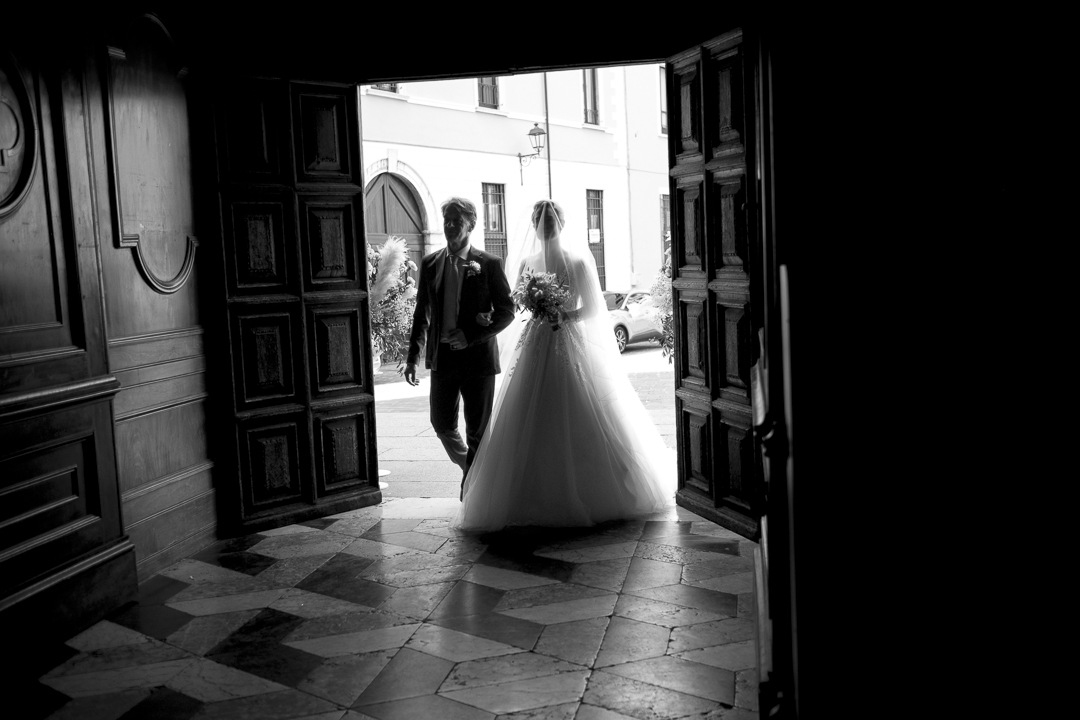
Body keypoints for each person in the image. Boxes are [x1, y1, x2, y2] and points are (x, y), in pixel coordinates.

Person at [454, 199, 676, 531]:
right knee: (528, 411)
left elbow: (593, 309)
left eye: (550, 222)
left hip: (568, 339)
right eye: (539, 222)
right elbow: (514, 300)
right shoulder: (527, 262)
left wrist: (564, 314)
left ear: (560, 225)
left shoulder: (576, 263)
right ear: (534, 227)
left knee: (579, 405)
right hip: (535, 340)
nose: (544, 227)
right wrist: (515, 306)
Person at [404, 197, 516, 498]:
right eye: (447, 220)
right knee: (441, 423)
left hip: (479, 361)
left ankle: (472, 492)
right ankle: (474, 468)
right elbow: (422, 313)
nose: (450, 226)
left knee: (477, 431)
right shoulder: (430, 263)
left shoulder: (489, 265)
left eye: (457, 220)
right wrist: (413, 357)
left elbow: (507, 311)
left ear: (471, 225)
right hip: (443, 360)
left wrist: (471, 335)